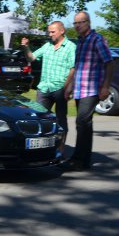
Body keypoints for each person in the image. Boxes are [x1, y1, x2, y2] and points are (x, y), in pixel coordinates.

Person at [60, 12, 113, 171]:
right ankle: (82, 160)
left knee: (82, 122)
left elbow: (109, 63)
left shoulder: (97, 40)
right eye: (75, 23)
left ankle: (79, 159)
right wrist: (69, 86)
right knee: (84, 125)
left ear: (88, 22)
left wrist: (105, 87)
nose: (77, 26)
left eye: (80, 22)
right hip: (79, 88)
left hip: (91, 89)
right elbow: (77, 66)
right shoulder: (81, 42)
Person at [21, 22, 75, 157]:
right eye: (49, 32)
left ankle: (61, 148)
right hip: (44, 88)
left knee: (61, 119)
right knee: (39, 118)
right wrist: (25, 48)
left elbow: (73, 68)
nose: (50, 34)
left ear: (62, 31)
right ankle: (39, 149)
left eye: (53, 32)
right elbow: (31, 57)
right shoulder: (47, 46)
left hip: (60, 88)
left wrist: (67, 87)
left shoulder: (70, 47)